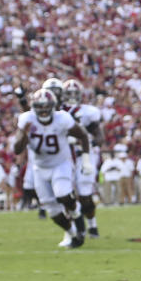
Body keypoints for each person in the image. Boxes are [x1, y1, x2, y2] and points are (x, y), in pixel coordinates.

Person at [13, 89, 92, 249]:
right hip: (39, 168)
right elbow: (17, 149)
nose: (43, 110)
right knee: (51, 209)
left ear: (53, 106)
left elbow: (83, 135)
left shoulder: (62, 118)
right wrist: (24, 134)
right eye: (39, 107)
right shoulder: (27, 119)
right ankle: (72, 233)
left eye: (46, 106)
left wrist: (85, 160)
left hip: (60, 164)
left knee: (63, 193)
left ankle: (77, 215)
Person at [61, 79, 103, 237]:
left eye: (74, 94)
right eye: (68, 94)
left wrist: (88, 141)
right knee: (65, 193)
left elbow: (99, 136)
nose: (71, 97)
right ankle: (75, 228)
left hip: (84, 154)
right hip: (65, 156)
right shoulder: (58, 112)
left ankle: (92, 225)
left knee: (85, 194)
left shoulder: (88, 112)